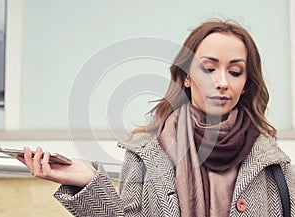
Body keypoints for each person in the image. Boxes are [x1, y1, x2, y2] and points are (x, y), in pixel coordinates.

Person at [18, 19, 295, 217]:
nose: (222, 82)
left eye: (235, 72)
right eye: (208, 68)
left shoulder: (272, 163)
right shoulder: (146, 151)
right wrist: (89, 182)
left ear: (246, 83)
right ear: (186, 76)